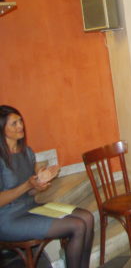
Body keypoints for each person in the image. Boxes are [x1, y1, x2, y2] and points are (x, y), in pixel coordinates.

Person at [0, 105, 94, 268]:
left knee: (87, 218)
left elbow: (30, 191)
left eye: (20, 121)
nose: (21, 126)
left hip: (30, 207)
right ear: (2, 129)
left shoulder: (27, 152)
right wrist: (28, 185)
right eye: (14, 123)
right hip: (8, 219)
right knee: (77, 226)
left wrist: (40, 184)